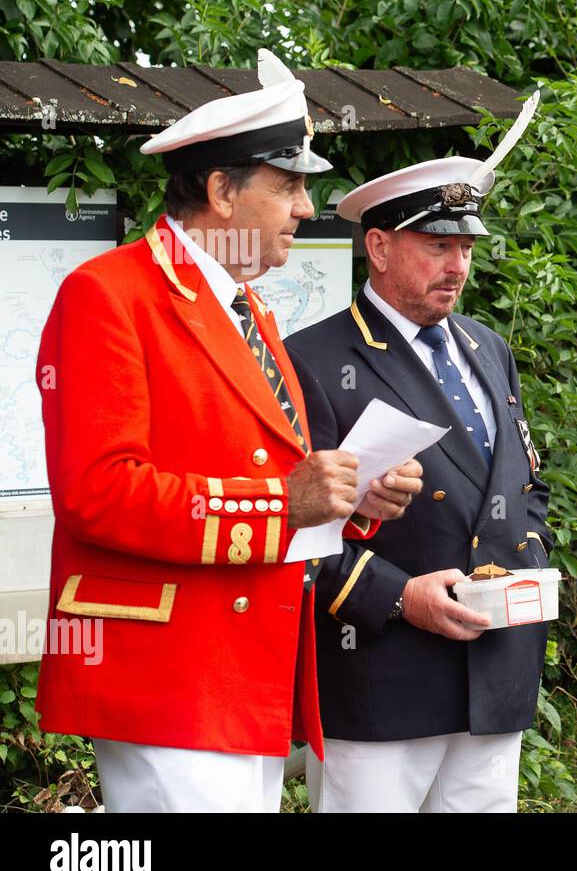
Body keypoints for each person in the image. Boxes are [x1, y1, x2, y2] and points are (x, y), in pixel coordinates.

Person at [34, 49, 419, 813]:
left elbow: (272, 478)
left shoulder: (249, 308)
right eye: (289, 185)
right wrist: (286, 502)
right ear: (220, 190)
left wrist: (350, 494)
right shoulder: (106, 295)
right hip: (170, 672)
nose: (307, 207)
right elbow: (97, 491)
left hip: (243, 669)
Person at [285, 93, 553, 813]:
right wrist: (401, 598)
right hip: (382, 677)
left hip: (494, 667)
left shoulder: (487, 347)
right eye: (438, 245)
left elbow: (525, 483)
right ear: (378, 246)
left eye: (465, 247)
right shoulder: (311, 359)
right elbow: (294, 533)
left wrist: (528, 568)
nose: (458, 265)